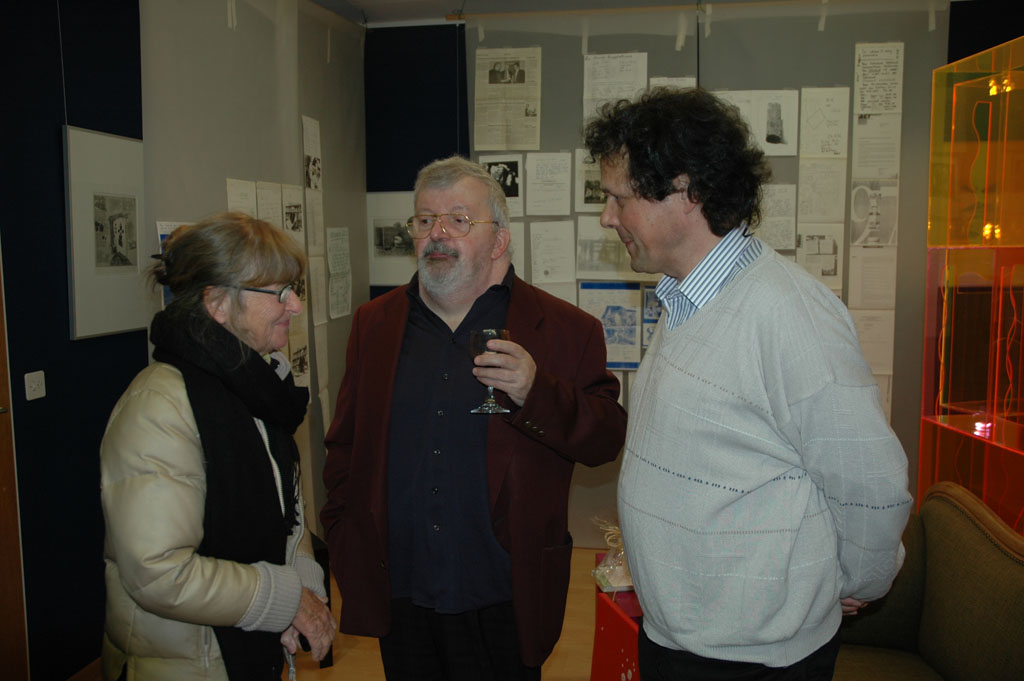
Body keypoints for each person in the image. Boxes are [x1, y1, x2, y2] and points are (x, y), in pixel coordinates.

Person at [584, 87, 912, 680]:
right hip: (680, 638)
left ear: (684, 191)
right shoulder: (685, 299)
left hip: (753, 659)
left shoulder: (789, 313)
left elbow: (871, 483)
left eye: (619, 198)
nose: (607, 217)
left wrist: (850, 582)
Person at [321, 156, 627, 679]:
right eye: (425, 220)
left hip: (504, 595)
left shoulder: (565, 330)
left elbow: (604, 439)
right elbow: (346, 447)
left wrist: (537, 391)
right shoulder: (375, 325)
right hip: (403, 592)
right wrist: (345, 538)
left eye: (458, 220)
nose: (437, 234)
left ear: (499, 240)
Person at [99, 213, 336, 680]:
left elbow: (286, 513)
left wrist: (306, 586)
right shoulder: (159, 407)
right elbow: (158, 574)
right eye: (278, 293)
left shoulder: (256, 390)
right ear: (217, 304)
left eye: (293, 289)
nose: (294, 306)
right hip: (189, 664)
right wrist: (287, 599)